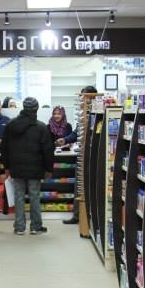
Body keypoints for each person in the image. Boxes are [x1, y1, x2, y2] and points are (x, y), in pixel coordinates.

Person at [1, 97, 53, 235]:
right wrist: (48, 168)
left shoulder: (11, 125)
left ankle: (19, 227)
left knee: (18, 196)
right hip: (35, 168)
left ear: (23, 108)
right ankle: (36, 226)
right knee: (34, 195)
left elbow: (4, 147)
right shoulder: (41, 127)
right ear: (36, 109)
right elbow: (47, 150)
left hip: (16, 167)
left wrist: (6, 166)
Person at [64, 86, 99, 226]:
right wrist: (65, 140)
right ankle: (77, 216)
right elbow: (76, 134)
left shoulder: (99, 114)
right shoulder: (83, 115)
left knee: (92, 188)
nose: (82, 100)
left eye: (85, 97)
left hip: (95, 158)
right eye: (82, 98)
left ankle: (91, 217)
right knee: (79, 187)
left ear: (92, 98)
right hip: (82, 157)